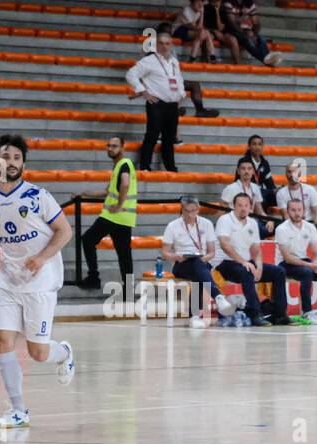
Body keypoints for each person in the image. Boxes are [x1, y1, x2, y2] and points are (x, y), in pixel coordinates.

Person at [0, 134, 75, 429]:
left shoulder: (38, 197)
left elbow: (64, 232)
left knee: (38, 353)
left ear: (23, 164)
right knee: (2, 340)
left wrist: (43, 257)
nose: (12, 162)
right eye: (6, 157)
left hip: (39, 282)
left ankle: (64, 353)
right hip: (7, 280)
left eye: (17, 158)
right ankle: (18, 410)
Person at [161, 195, 237, 328]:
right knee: (200, 269)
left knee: (198, 267)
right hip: (181, 264)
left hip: (201, 261)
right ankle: (218, 296)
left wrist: (204, 258)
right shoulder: (173, 226)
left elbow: (212, 252)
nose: (190, 214)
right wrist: (177, 256)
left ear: (198, 209)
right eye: (186, 211)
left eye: (193, 211)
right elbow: (165, 252)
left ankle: (195, 317)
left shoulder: (206, 224)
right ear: (182, 210)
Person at [214, 191, 287, 325]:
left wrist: (258, 266)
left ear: (250, 207)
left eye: (246, 205)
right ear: (233, 206)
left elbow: (256, 249)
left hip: (245, 263)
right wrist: (244, 262)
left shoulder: (252, 223)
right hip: (224, 263)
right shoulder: (225, 220)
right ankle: (254, 314)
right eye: (240, 205)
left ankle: (280, 314)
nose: (243, 208)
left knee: (279, 272)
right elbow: (225, 245)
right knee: (247, 271)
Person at [78, 134, 136, 292]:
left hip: (113, 215)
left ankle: (93, 278)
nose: (110, 149)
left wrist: (118, 206)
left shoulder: (124, 163)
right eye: (108, 145)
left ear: (122, 148)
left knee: (87, 240)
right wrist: (85, 193)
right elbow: (108, 192)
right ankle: (129, 289)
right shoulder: (119, 166)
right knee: (124, 254)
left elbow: (125, 184)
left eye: (114, 146)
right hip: (124, 217)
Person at [126, 28, 187, 173]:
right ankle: (145, 166)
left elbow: (179, 79)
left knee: (169, 139)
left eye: (167, 43)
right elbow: (131, 75)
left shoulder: (174, 61)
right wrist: (143, 92)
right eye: (161, 43)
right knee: (152, 136)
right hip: (156, 104)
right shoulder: (149, 61)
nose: (165, 46)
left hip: (172, 106)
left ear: (171, 45)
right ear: (156, 45)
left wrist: (180, 95)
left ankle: (170, 167)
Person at [275, 196, 317, 324]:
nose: (296, 213)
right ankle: (307, 312)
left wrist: (316, 263)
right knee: (307, 273)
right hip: (285, 264)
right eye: (293, 210)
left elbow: (316, 253)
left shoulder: (310, 227)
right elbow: (287, 257)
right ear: (287, 211)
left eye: (299, 210)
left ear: (304, 211)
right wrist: (310, 266)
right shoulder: (281, 229)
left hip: (303, 261)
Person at [221, 0, 282, 66]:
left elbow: (256, 22)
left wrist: (254, 34)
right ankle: (265, 60)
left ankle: (269, 58)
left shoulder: (249, 2)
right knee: (248, 39)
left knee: (261, 39)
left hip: (244, 28)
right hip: (230, 30)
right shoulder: (228, 2)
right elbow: (232, 23)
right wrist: (245, 33)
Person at [275, 158, 317, 226]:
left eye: (294, 172)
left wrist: (313, 227)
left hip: (309, 222)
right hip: (291, 224)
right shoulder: (281, 193)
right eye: (289, 172)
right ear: (285, 174)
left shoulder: (310, 189)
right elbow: (285, 215)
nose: (291, 175)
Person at [242, 134, 278, 212]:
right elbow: (244, 184)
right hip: (247, 193)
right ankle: (261, 221)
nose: (257, 147)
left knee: (282, 195)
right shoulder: (244, 161)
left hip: (262, 193)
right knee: (260, 195)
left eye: (259, 144)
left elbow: (270, 183)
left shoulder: (264, 163)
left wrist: (275, 191)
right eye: (254, 144)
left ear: (262, 146)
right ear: (249, 146)